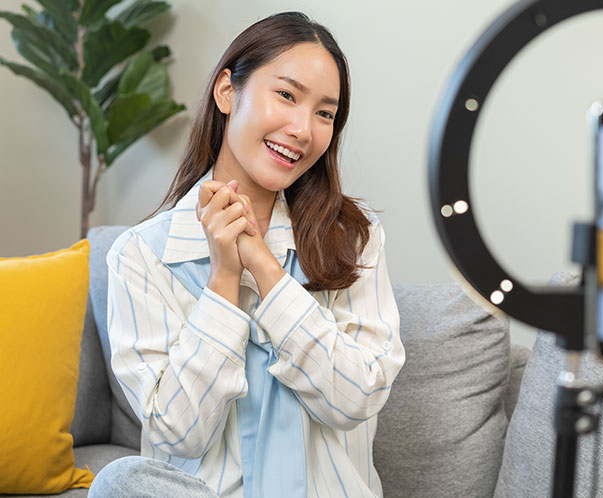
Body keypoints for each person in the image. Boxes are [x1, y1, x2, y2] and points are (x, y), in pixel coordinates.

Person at [89, 12, 405, 498]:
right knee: (120, 484)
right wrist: (223, 282)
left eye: (325, 113)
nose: (303, 129)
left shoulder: (354, 239)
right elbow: (178, 432)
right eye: (286, 94)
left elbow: (355, 399)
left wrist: (266, 269)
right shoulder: (141, 256)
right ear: (226, 91)